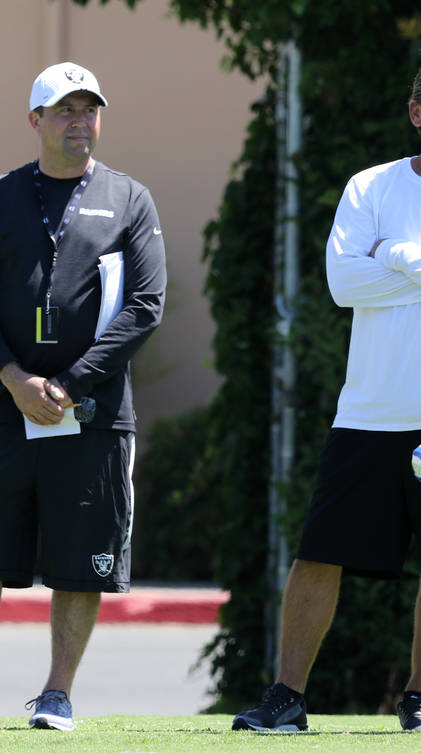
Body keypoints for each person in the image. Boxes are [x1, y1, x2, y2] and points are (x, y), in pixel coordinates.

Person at [231, 49, 421, 733]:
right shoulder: (370, 188)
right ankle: (287, 696)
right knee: (318, 553)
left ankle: (420, 698)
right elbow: (343, 285)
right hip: (368, 414)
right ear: (417, 113)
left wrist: (396, 254)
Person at [0, 62, 167, 731]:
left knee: (81, 562)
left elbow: (147, 306)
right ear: (35, 120)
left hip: (91, 415)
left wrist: (68, 385)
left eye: (88, 108)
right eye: (64, 110)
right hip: (7, 411)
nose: (79, 120)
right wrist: (14, 379)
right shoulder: (6, 196)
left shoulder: (130, 199)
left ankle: (57, 693)